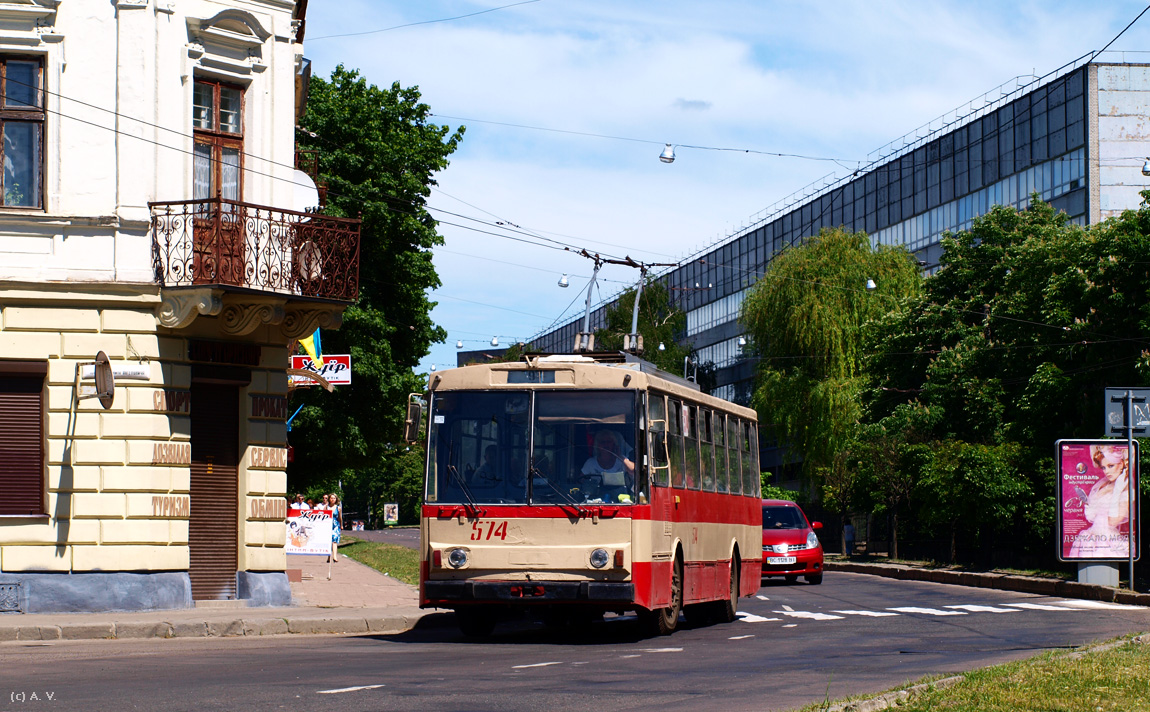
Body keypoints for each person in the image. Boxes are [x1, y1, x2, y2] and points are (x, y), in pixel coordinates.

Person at [1068, 445, 1131, 558]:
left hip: (1108, 541)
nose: (1106, 471)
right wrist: (1087, 504)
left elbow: (1113, 521)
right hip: (1091, 538)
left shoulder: (1127, 489)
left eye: (1111, 466)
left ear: (1121, 464)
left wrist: (1117, 491)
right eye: (1104, 467)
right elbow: (1091, 517)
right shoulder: (1103, 484)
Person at [581, 430, 635, 502]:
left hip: (621, 502)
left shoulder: (621, 461)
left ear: (614, 444)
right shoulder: (590, 463)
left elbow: (633, 470)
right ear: (598, 445)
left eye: (609, 442)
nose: (606, 445)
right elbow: (581, 481)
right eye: (602, 442)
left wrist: (620, 456)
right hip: (596, 502)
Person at [329, 493, 343, 562]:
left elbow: (340, 517)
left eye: (334, 498)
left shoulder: (338, 508)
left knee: (334, 540)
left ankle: (334, 556)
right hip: (328, 525)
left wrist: (341, 525)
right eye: (331, 498)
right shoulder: (326, 507)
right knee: (328, 541)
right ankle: (328, 556)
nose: (332, 499)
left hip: (335, 526)